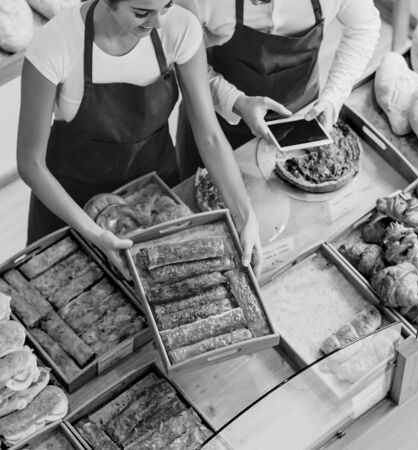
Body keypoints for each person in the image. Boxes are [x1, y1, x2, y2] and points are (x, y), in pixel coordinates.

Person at [17, 0, 261, 270]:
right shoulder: (55, 45)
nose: (157, 22)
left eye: (165, 6)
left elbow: (210, 137)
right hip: (70, 206)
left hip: (154, 198)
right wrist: (96, 234)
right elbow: (31, 163)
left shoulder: (179, 27)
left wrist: (244, 215)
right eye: (141, 13)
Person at [174, 0, 380, 176]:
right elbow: (180, 57)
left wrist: (334, 95)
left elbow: (364, 26)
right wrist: (234, 101)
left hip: (300, 122)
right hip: (213, 124)